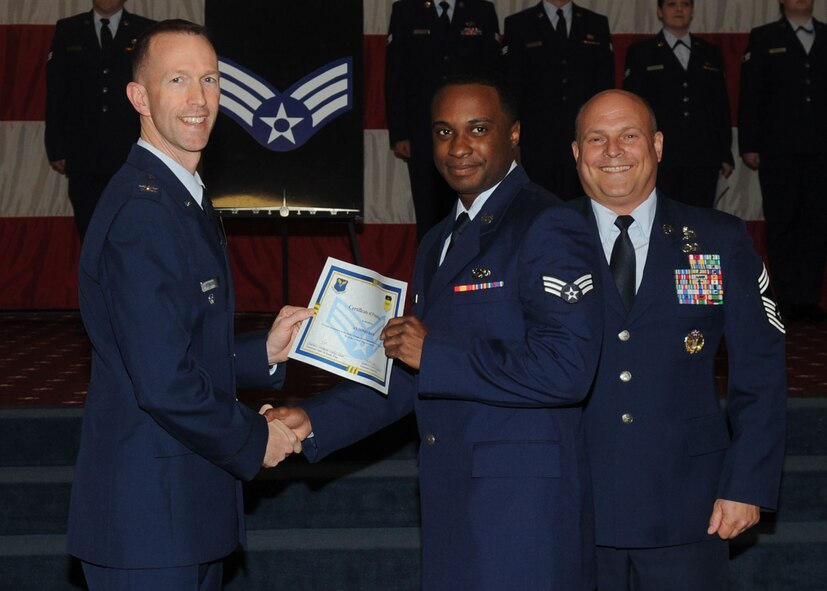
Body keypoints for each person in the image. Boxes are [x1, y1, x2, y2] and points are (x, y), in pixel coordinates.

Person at [274, 73, 603, 590]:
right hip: (450, 499)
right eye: (444, 132)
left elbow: (568, 370)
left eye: (477, 128)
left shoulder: (547, 223)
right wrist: (312, 421)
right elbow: (411, 372)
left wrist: (436, 352)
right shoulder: (438, 240)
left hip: (522, 512)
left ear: (513, 134)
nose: (459, 147)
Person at [66, 20, 314, 590]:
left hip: (180, 511)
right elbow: (163, 381)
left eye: (209, 79)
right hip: (149, 522)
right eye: (177, 80)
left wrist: (263, 354)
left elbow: (174, 343)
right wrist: (257, 438)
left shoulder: (180, 194)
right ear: (139, 96)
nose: (198, 99)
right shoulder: (145, 212)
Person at [569, 89, 787, 590]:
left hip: (690, 506)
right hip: (572, 506)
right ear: (577, 153)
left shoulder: (717, 240)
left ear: (658, 145)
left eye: (629, 135)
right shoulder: (542, 239)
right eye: (596, 139)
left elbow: (760, 372)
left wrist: (747, 484)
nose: (614, 151)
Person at [738, 0, 827, 324]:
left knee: (818, 224)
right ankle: (787, 299)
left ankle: (809, 300)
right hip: (778, 150)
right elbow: (751, 93)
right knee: (782, 223)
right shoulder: (764, 36)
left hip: (821, 149)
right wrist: (749, 143)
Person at [385, 0, 501, 241]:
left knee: (474, 209)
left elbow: (493, 77)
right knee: (428, 213)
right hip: (422, 132)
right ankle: (431, 274)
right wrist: (399, 133)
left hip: (473, 134)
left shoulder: (481, 10)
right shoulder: (406, 10)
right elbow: (395, 76)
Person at [45, 0, 154, 241]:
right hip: (83, 155)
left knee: (134, 232)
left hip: (132, 154)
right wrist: (55, 147)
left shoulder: (144, 30)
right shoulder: (68, 29)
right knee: (91, 233)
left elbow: (155, 93)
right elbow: (56, 92)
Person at [623, 0, 734, 208]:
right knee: (662, 217)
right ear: (659, 11)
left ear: (692, 11)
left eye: (685, 4)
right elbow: (633, 109)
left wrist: (725, 153)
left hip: (704, 154)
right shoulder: (642, 53)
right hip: (660, 155)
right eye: (672, 4)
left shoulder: (710, 53)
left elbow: (720, 106)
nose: (679, 9)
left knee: (700, 219)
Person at [501, 0, 614, 200]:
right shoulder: (519, 24)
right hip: (536, 141)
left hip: (584, 137)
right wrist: (513, 140)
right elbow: (511, 87)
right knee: (537, 205)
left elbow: (605, 86)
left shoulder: (595, 23)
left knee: (583, 205)